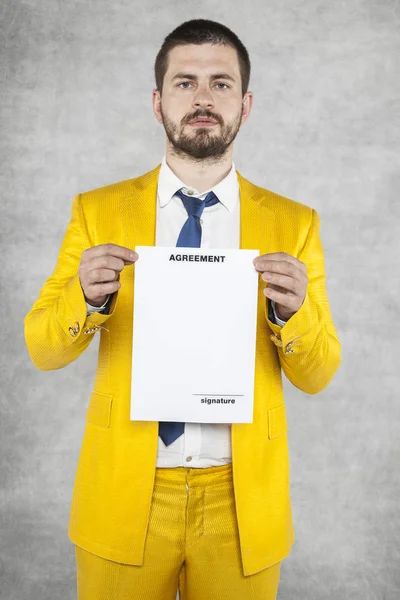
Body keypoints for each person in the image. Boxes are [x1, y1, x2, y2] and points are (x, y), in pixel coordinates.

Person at [24, 18, 341, 600]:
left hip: (241, 500)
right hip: (126, 491)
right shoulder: (97, 212)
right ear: (157, 101)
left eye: (221, 84)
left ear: (246, 104)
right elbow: (43, 348)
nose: (202, 97)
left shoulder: (295, 225)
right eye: (184, 81)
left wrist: (294, 317)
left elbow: (318, 375)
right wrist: (86, 297)